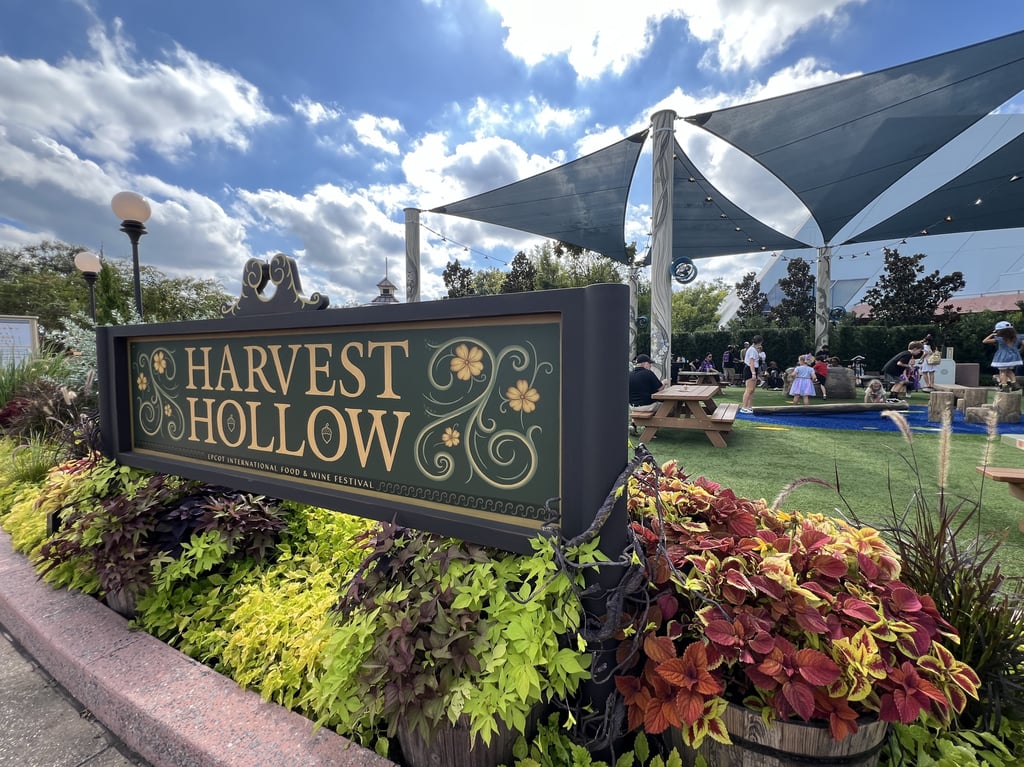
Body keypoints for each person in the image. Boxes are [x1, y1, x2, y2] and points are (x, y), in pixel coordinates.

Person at [629, 354, 666, 432]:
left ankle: (634, 424)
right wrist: (664, 382)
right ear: (645, 363)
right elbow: (660, 388)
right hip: (648, 406)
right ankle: (650, 428)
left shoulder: (630, 375)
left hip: (632, 406)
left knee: (645, 406)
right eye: (649, 364)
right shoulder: (648, 373)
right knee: (666, 406)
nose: (650, 366)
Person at [983, 320, 1024, 391]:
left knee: (1002, 372)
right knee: (1009, 371)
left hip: (1003, 357)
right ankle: (1015, 384)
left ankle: (1004, 386)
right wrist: (1020, 349)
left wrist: (992, 335)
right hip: (1013, 357)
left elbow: (984, 341)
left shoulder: (1000, 339)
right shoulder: (1017, 337)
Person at [740, 336, 762, 414]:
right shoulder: (752, 350)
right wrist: (753, 373)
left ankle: (749, 406)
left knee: (752, 390)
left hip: (753, 369)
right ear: (759, 342)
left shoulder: (754, 349)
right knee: (749, 390)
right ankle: (744, 407)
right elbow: (751, 362)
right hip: (750, 369)